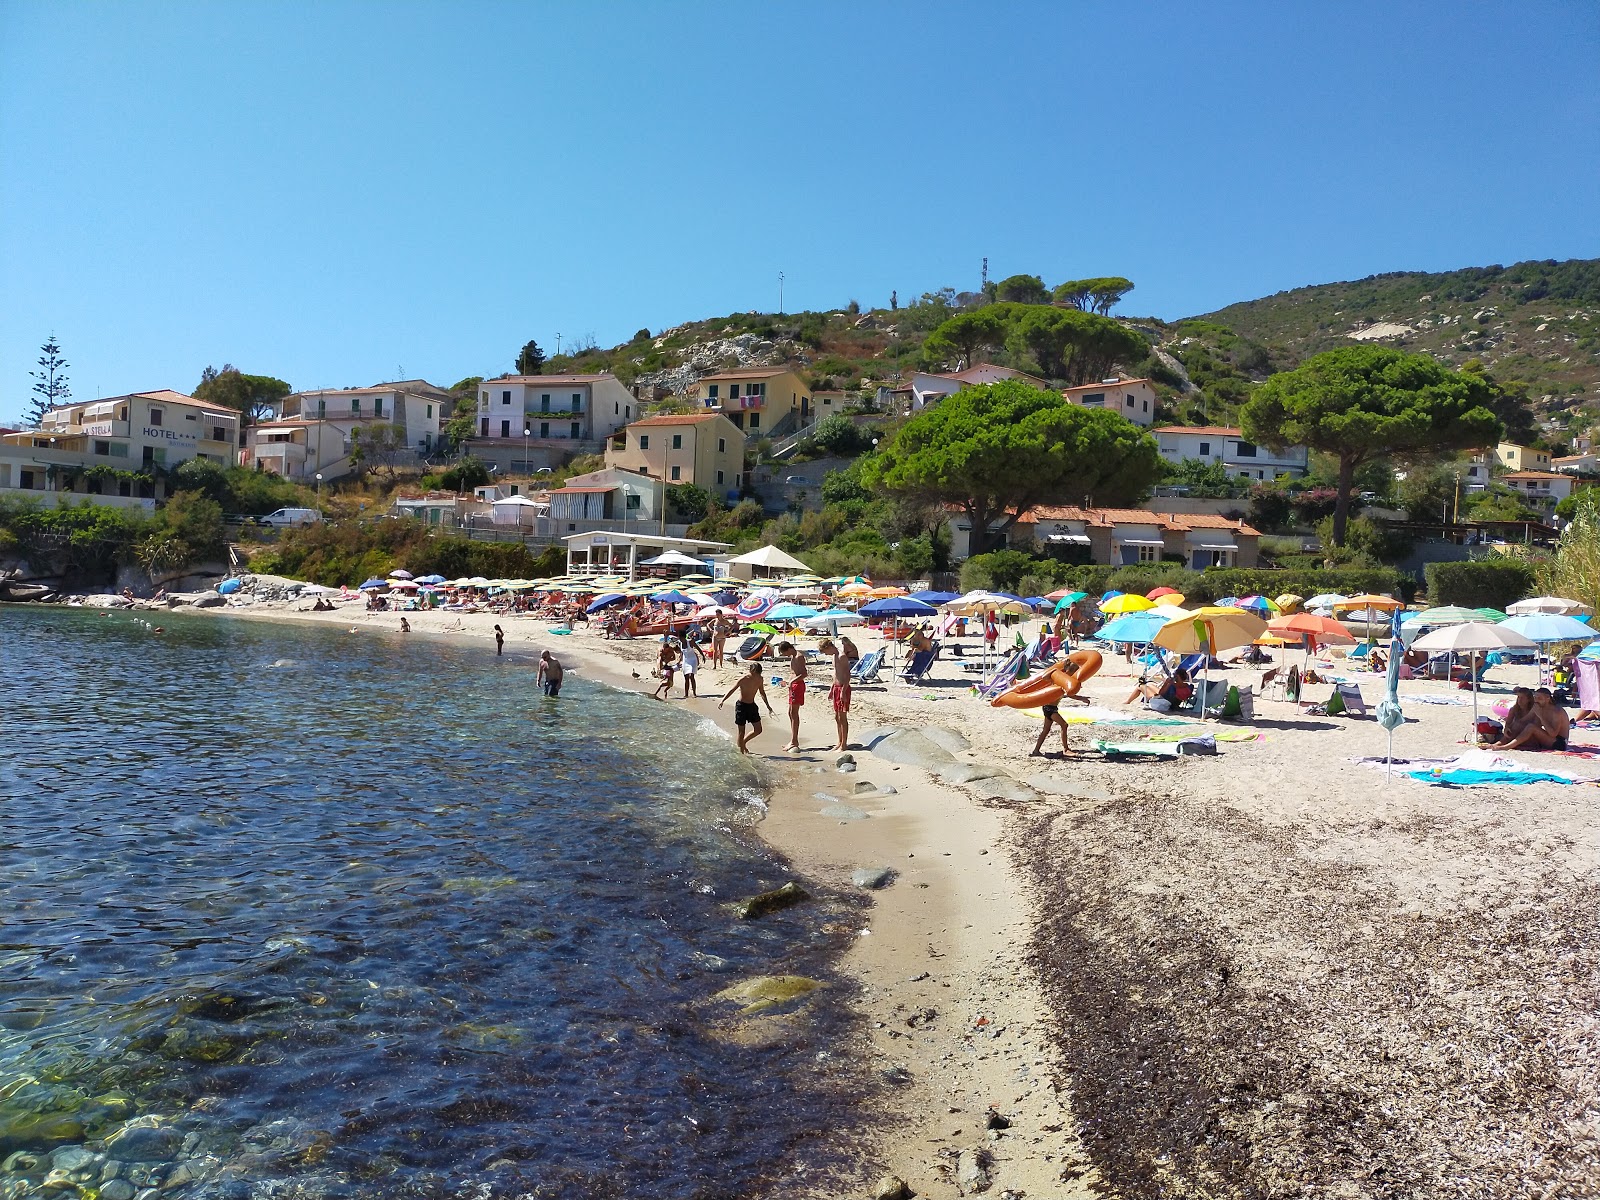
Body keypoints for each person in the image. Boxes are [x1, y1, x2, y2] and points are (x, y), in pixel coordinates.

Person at [1492, 687, 1569, 751]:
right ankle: (1500, 743)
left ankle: (1507, 747)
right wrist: (1508, 726)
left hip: (1559, 742)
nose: (1536, 700)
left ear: (1547, 698)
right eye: (1535, 698)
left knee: (1531, 727)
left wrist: (1541, 717)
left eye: (1539, 698)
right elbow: (1523, 720)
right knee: (1518, 724)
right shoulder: (1538, 706)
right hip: (1549, 738)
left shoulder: (1557, 711)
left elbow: (1553, 734)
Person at [719, 663, 773, 753]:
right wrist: (723, 700)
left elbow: (762, 692)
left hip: (752, 706)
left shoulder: (760, 679)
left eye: (758, 672)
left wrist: (768, 705)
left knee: (758, 730)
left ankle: (742, 743)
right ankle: (741, 753)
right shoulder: (744, 679)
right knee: (741, 732)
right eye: (755, 672)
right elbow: (732, 689)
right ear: (751, 671)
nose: (757, 674)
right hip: (741, 706)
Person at [818, 639, 852, 751]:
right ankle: (839, 741)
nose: (825, 654)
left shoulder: (842, 656)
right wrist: (832, 688)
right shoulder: (834, 657)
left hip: (843, 688)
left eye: (824, 651)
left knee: (842, 717)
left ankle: (844, 744)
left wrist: (843, 691)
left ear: (829, 647)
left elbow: (847, 675)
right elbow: (836, 674)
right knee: (837, 717)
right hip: (836, 687)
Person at [776, 641, 807, 751]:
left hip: (797, 686)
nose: (784, 655)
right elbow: (794, 672)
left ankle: (794, 741)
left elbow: (804, 674)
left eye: (784, 653)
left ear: (788, 649)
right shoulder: (793, 657)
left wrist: (792, 681)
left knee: (794, 713)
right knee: (790, 712)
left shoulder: (799, 657)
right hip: (793, 685)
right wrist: (787, 681)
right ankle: (793, 739)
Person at [1126, 667, 1192, 711]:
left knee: (1140, 686)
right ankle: (1128, 701)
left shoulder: (1172, 685)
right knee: (1150, 684)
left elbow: (1161, 693)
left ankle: (1127, 702)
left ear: (1177, 676)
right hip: (1173, 703)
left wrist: (1166, 683)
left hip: (1162, 702)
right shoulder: (1189, 687)